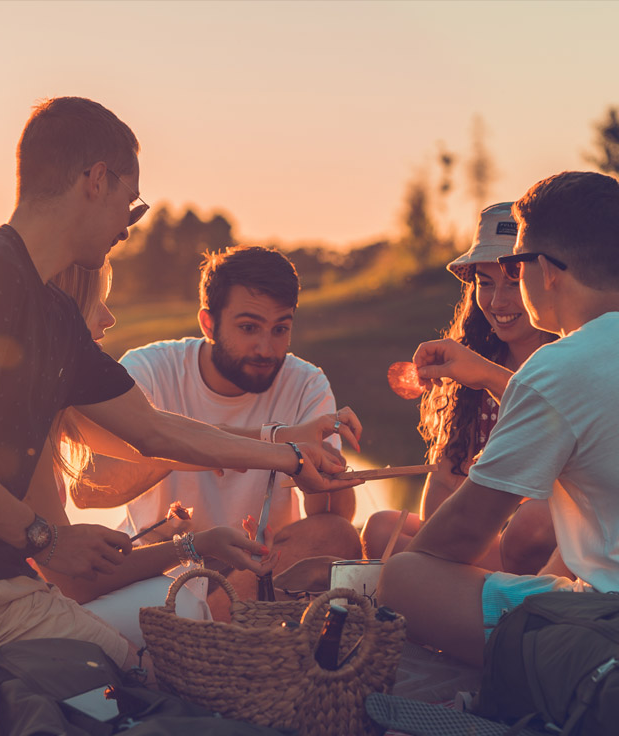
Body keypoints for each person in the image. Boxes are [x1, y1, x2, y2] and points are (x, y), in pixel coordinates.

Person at [0, 96, 358, 736]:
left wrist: (287, 455)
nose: (129, 225)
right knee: (125, 685)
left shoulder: (51, 312)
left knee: (130, 683)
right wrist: (45, 539)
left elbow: (154, 430)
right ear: (96, 179)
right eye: (130, 203)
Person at [377, 171, 619, 667]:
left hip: (605, 628)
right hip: (596, 598)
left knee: (404, 575)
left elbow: (453, 540)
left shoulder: (560, 367)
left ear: (547, 270)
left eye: (514, 264)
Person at [69, 246, 363, 616]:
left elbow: (333, 521)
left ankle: (200, 627)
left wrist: (325, 469)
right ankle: (213, 627)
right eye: (248, 328)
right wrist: (266, 440)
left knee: (338, 536)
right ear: (208, 323)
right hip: (162, 559)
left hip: (259, 563)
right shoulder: (150, 369)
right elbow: (87, 488)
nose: (266, 348)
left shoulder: (306, 383)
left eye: (281, 329)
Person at [37, 261, 284, 643]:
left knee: (179, 597)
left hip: (34, 599)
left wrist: (285, 447)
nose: (109, 318)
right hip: (0, 614)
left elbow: (168, 439)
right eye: (96, 302)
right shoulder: (28, 421)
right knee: (179, 606)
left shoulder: (59, 408)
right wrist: (193, 545)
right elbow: (76, 583)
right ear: (61, 311)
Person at [362, 203, 557, 573]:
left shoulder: (562, 359)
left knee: (533, 522)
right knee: (380, 528)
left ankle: (424, 571)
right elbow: (437, 510)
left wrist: (486, 374)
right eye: (485, 283)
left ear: (544, 278)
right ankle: (431, 570)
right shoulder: (469, 371)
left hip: (543, 543)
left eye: (514, 281)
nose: (498, 302)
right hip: (473, 540)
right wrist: (448, 475)